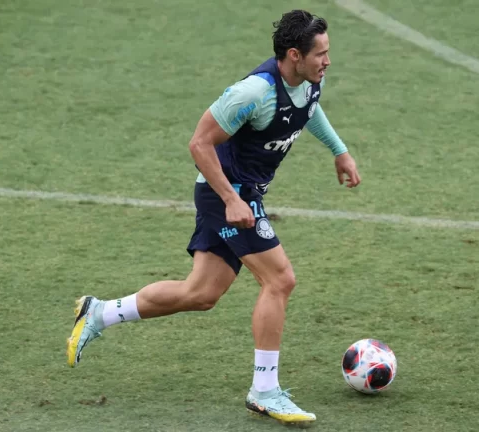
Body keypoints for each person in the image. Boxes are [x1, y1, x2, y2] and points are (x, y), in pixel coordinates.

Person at [66, 9, 361, 426]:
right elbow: (200, 143)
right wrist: (231, 200)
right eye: (321, 55)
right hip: (226, 193)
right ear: (294, 55)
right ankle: (265, 391)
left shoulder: (310, 80)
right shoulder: (252, 93)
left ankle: (99, 313)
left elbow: (308, 109)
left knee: (201, 294)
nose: (328, 61)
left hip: (244, 193)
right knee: (280, 280)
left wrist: (339, 150)